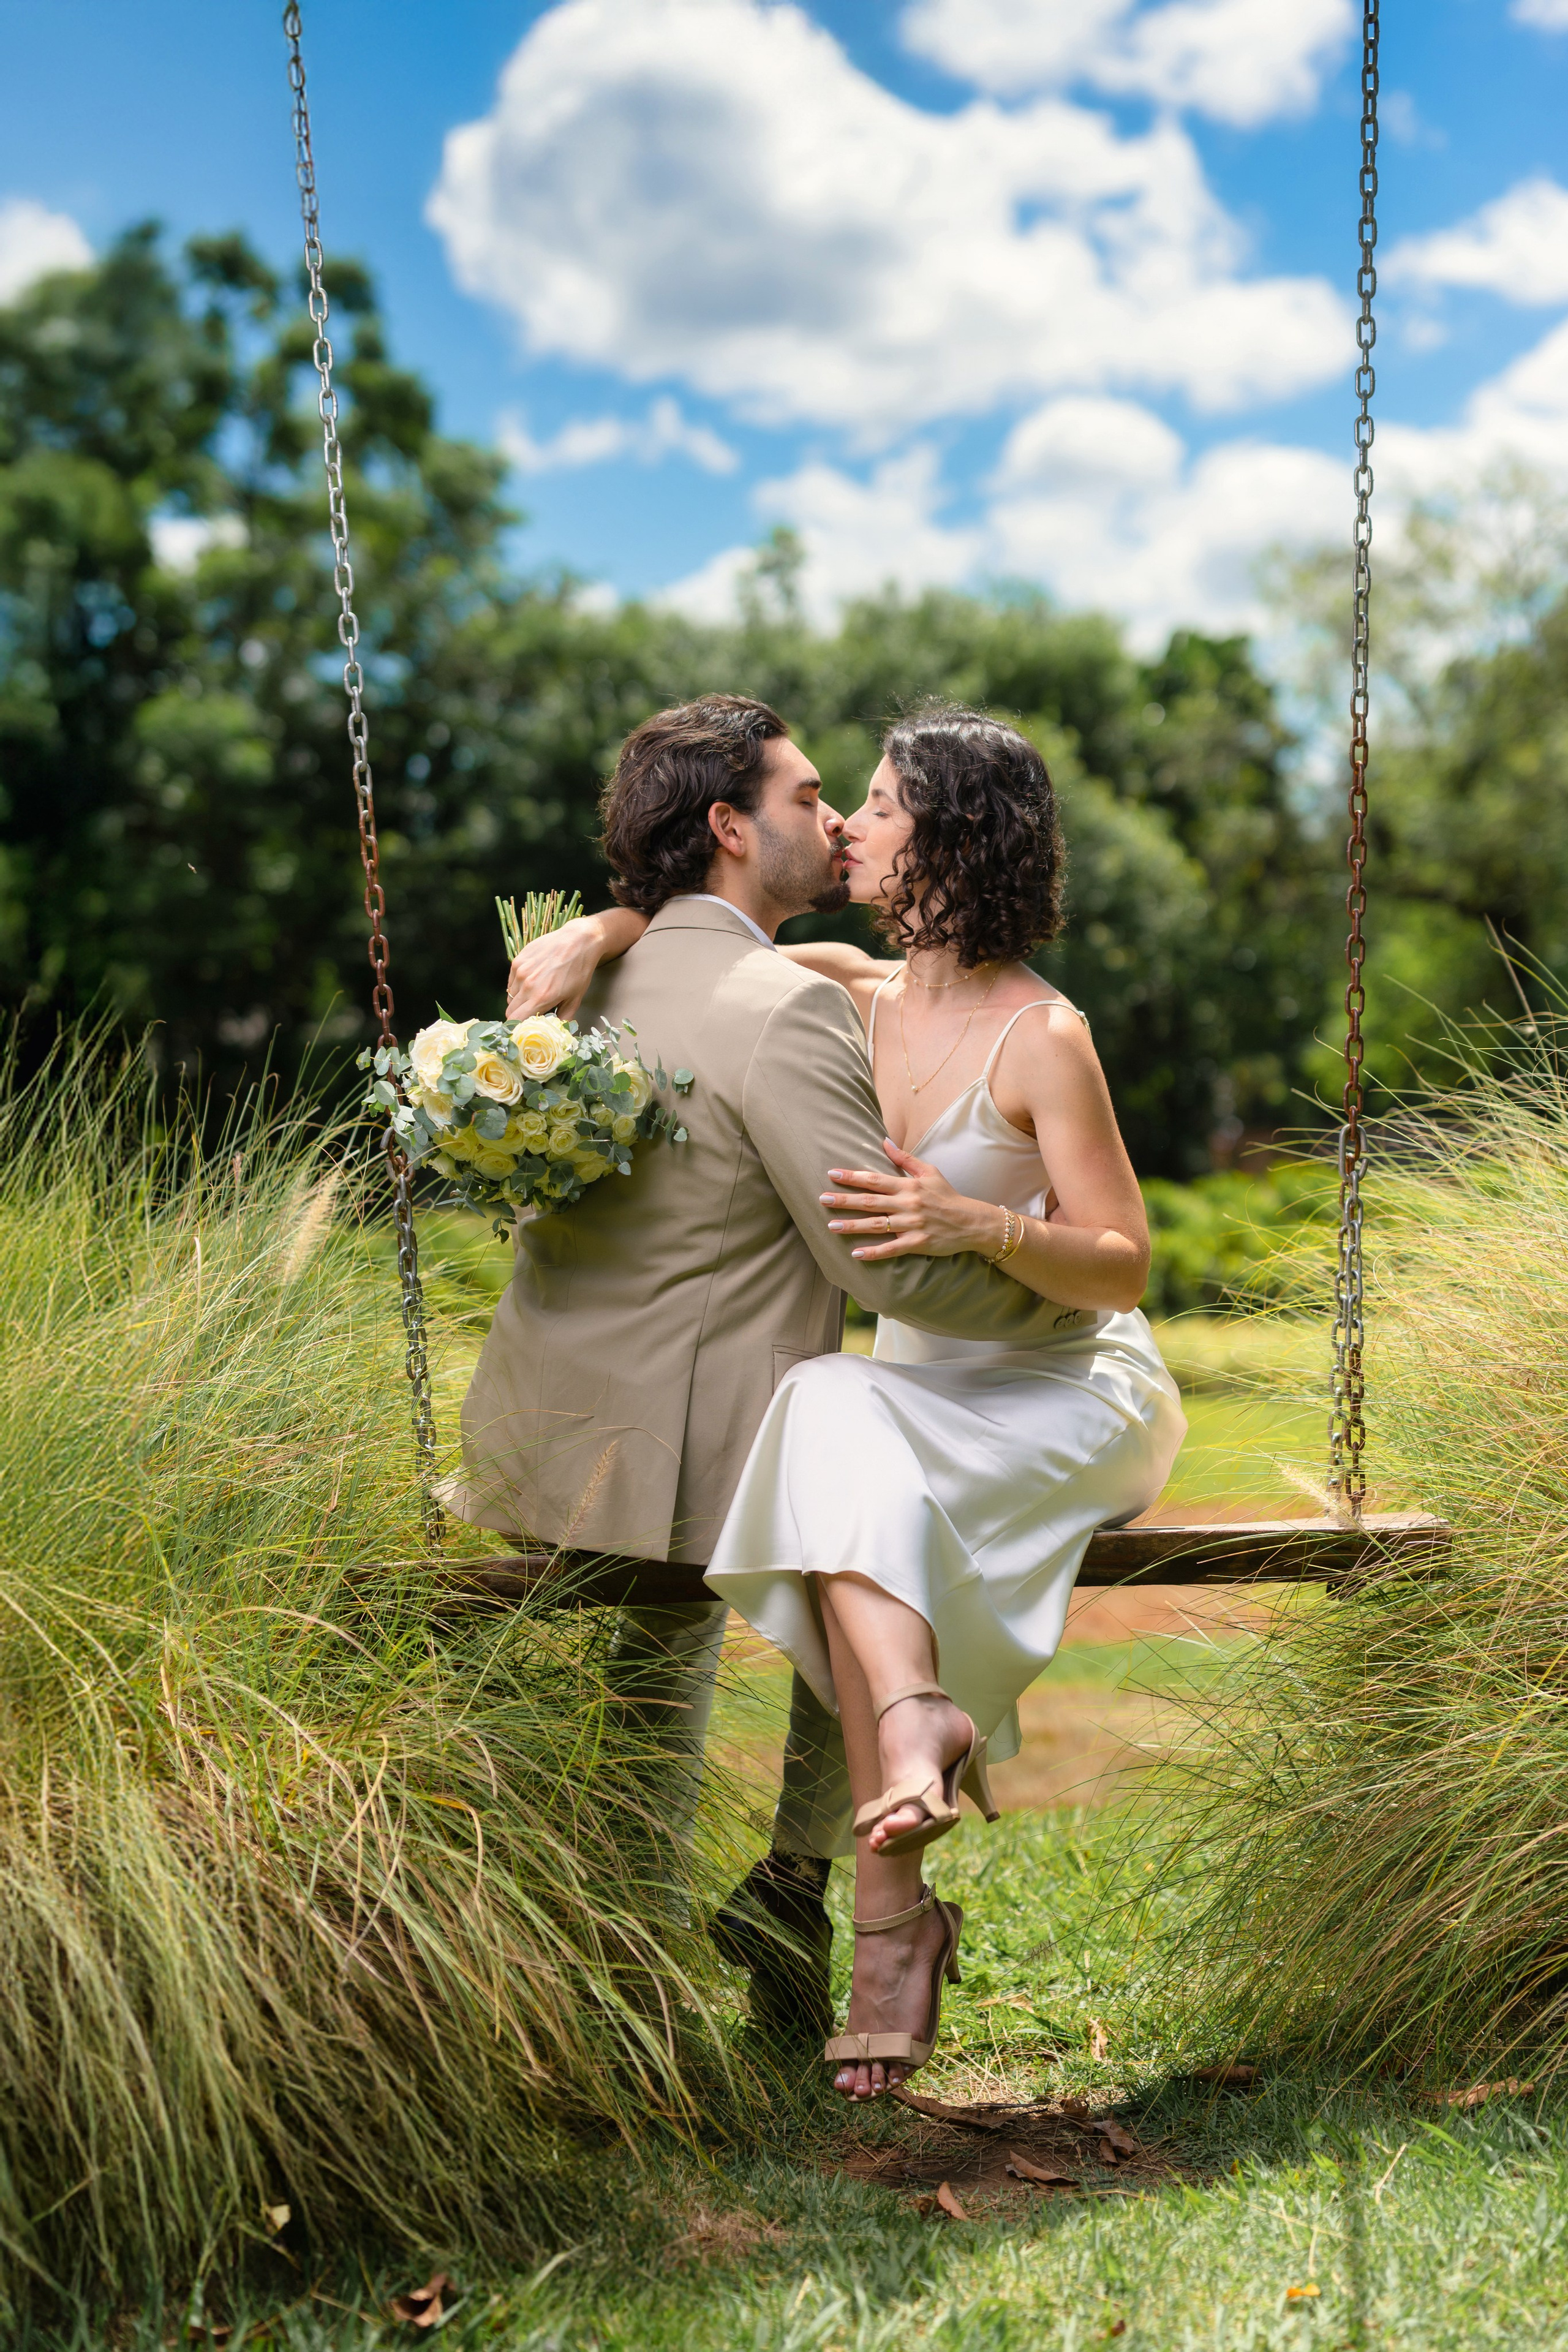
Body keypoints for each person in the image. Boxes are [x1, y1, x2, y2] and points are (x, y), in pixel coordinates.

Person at [508, 703, 1185, 2098]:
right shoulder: (851, 993)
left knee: (855, 1478)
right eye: (837, 801)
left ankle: (880, 1910)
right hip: (920, 1389)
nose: (846, 827)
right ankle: (915, 1739)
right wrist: (597, 931)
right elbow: (715, 941)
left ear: (949, 841)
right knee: (823, 1396)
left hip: (1064, 1386)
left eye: (875, 805)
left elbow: (1119, 1267)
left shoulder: (1043, 1036)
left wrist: (972, 1223)